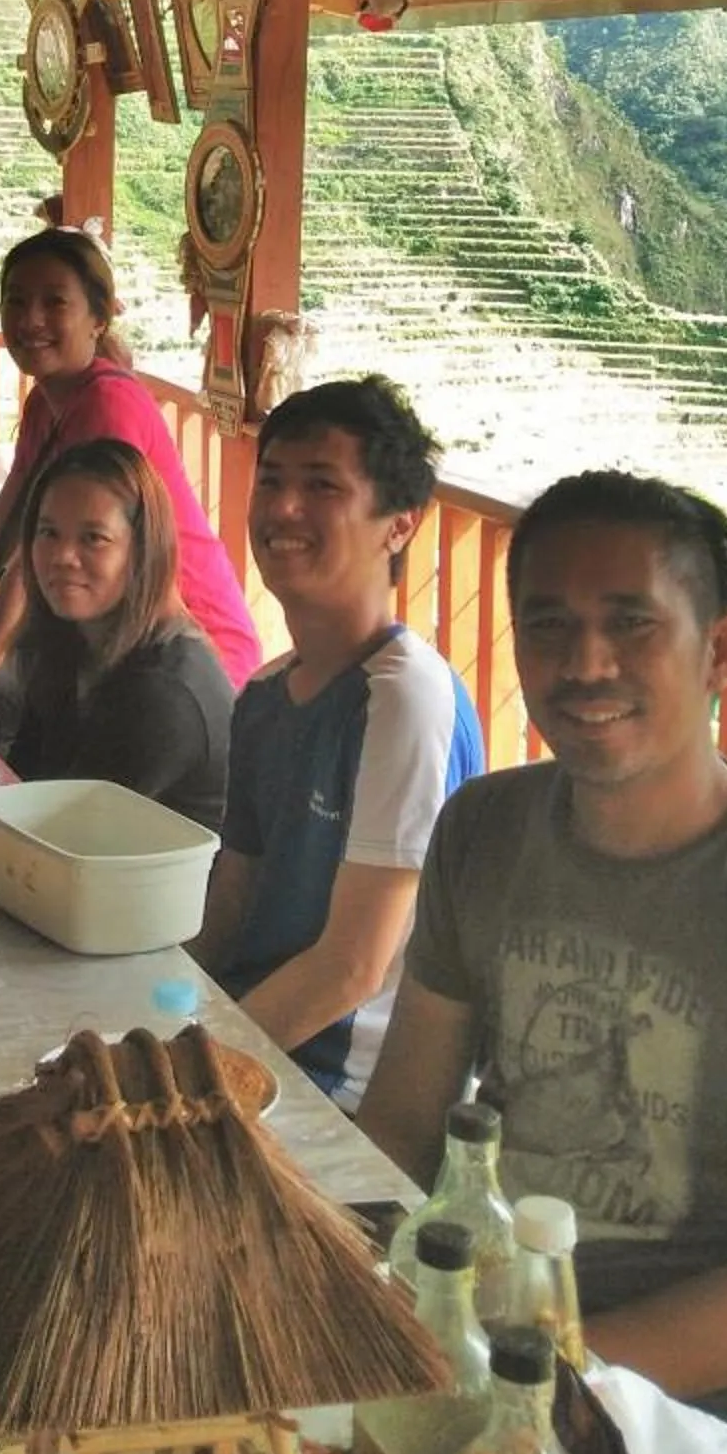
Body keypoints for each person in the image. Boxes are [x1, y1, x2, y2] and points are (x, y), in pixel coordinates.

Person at [357, 469, 727, 1453]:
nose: (586, 664)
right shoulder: (484, 831)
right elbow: (405, 1122)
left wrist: (531, 1383)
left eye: (632, 624)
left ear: (718, 653)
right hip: (454, 1345)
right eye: (547, 625)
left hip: (661, 1431)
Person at [194, 377, 485, 1109]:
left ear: (399, 525)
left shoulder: (404, 697)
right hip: (250, 1040)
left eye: (322, 485)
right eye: (272, 481)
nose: (284, 509)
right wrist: (162, 1020)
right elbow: (233, 900)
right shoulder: (264, 695)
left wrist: (185, 1075)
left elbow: (354, 967)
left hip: (342, 1089)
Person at [0, 228, 261, 710]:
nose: (30, 319)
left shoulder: (108, 402)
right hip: (107, 629)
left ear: (98, 319)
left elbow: (33, 562)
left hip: (187, 651)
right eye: (15, 301)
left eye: (54, 303)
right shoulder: (46, 402)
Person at [10, 439, 232, 829]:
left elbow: (63, 837)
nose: (62, 557)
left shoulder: (163, 692)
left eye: (93, 538)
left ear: (143, 550)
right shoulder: (71, 641)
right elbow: (20, 786)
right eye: (48, 533)